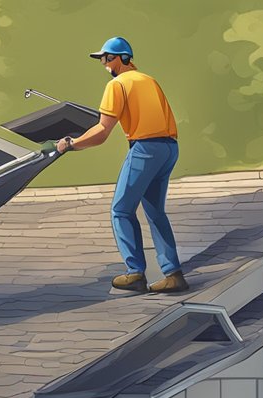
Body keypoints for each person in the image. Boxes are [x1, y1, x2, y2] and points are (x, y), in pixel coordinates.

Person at [53, 36, 186, 293]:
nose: (104, 64)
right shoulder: (149, 80)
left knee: (121, 210)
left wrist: (71, 143)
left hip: (145, 149)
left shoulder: (117, 85)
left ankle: (135, 273)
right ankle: (173, 274)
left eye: (106, 58)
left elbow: (102, 132)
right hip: (169, 148)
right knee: (155, 212)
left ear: (121, 58)